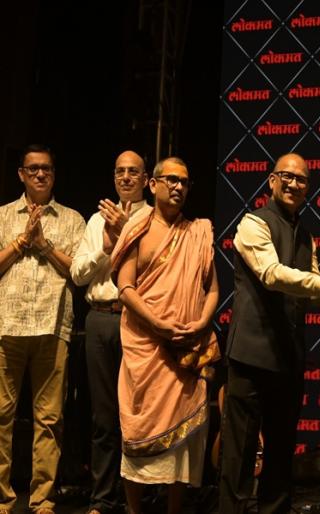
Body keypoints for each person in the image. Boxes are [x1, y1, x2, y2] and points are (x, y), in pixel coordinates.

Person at [219, 153, 320, 514]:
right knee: (240, 454)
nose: (294, 184)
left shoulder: (306, 235)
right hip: (251, 355)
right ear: (272, 181)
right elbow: (272, 274)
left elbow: (313, 290)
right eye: (287, 176)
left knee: (281, 455)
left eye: (302, 179)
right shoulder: (253, 223)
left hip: (288, 357)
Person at [110, 156, 220, 514]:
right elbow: (125, 287)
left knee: (183, 445)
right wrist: (157, 324)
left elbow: (213, 288)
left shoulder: (198, 232)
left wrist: (202, 322)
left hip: (186, 348)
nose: (178, 187)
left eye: (184, 182)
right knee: (137, 430)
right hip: (146, 349)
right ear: (153, 184)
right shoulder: (137, 229)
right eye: (171, 179)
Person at [0, 144, 86, 514]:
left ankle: (42, 499)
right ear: (21, 174)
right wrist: (22, 241)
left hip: (53, 326)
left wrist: (44, 245)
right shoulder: (3, 216)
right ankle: (2, 499)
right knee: (1, 416)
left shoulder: (72, 219)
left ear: (54, 174)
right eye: (33, 168)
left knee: (50, 420)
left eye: (46, 169)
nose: (40, 174)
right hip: (7, 326)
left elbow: (80, 273)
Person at [70, 150, 152, 514]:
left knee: (138, 414)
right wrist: (105, 247)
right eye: (120, 171)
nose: (126, 177)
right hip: (101, 318)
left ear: (146, 179)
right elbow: (78, 275)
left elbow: (154, 272)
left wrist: (126, 232)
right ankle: (103, 499)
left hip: (137, 320)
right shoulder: (96, 220)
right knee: (103, 417)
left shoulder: (155, 218)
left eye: (133, 171)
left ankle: (139, 498)